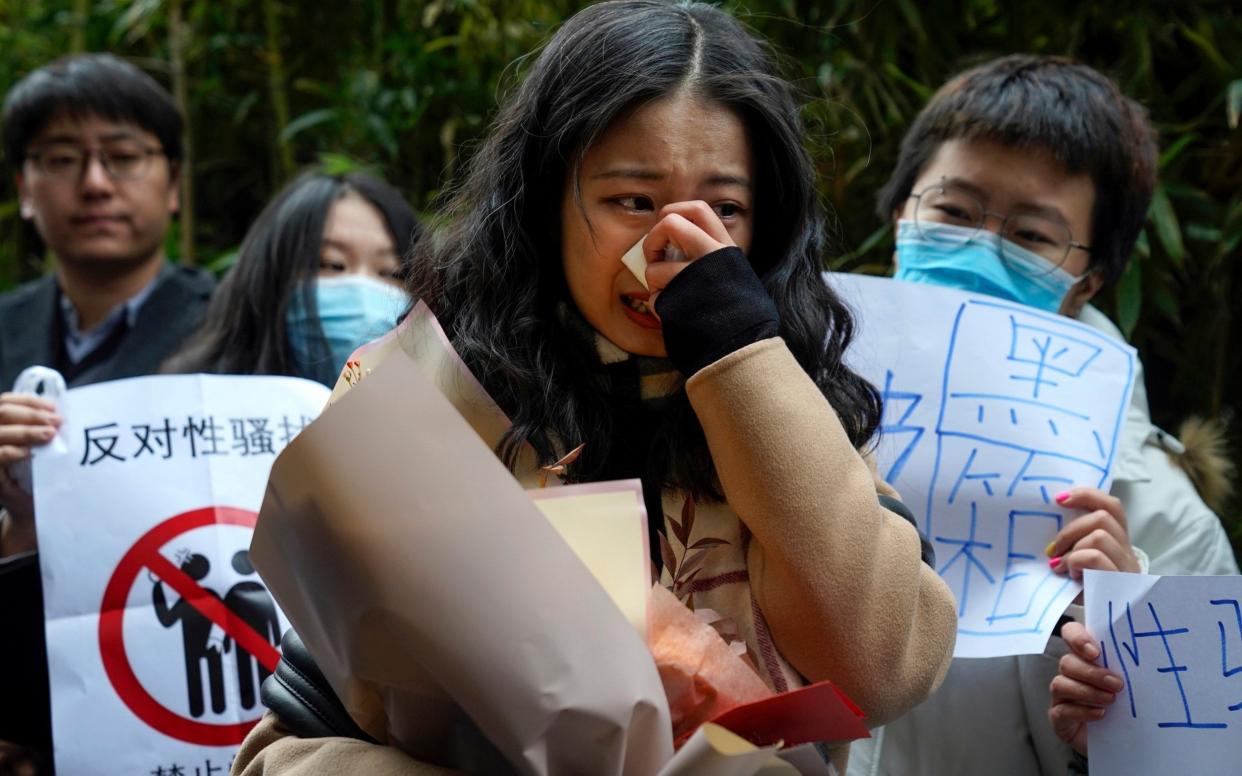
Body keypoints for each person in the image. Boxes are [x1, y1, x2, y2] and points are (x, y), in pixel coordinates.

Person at [233, 1, 958, 773]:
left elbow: (881, 671)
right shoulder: (431, 398)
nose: (673, 246)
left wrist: (740, 353)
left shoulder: (802, 407)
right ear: (550, 203)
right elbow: (290, 743)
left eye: (724, 210)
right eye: (632, 202)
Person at [846, 55, 1238, 776]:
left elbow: (1200, 758)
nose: (978, 248)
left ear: (1087, 280)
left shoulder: (1160, 522)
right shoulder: (778, 414)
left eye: (1029, 235)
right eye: (954, 212)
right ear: (901, 210)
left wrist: (1124, 693)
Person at [0, 53, 214, 771]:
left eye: (123, 157)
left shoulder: (239, 334)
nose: (94, 184)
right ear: (24, 188)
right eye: (61, 159)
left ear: (174, 183)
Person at [163, 169, 419, 385]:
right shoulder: (191, 405)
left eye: (391, 272)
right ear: (267, 278)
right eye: (332, 264)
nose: (363, 293)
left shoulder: (445, 422)